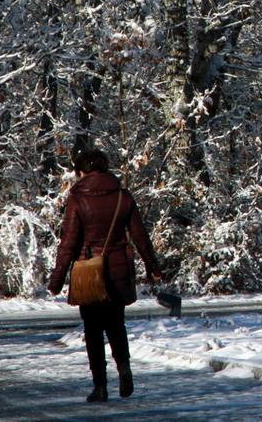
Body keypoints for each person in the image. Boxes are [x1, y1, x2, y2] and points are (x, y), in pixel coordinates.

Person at [47, 148, 164, 402]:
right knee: (116, 323)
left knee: (92, 329)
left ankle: (100, 386)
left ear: (81, 171)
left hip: (88, 270)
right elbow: (140, 236)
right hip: (118, 267)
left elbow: (68, 242)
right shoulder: (123, 196)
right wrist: (153, 266)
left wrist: (57, 278)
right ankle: (124, 368)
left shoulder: (77, 199)